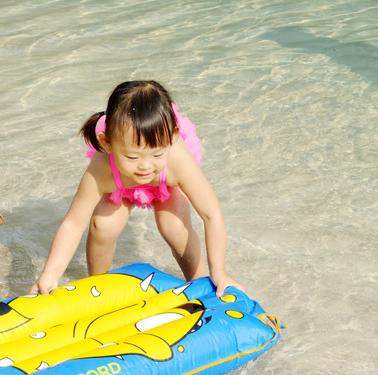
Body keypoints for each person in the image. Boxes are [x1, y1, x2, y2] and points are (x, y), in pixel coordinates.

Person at [30, 80, 243, 297]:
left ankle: (200, 285)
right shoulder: (103, 167)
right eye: (133, 156)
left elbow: (211, 214)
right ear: (107, 143)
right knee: (103, 227)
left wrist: (219, 271)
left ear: (172, 137)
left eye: (157, 154)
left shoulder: (176, 160)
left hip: (165, 183)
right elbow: (73, 224)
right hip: (121, 184)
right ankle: (96, 288)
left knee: (174, 227)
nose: (145, 166)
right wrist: (50, 274)